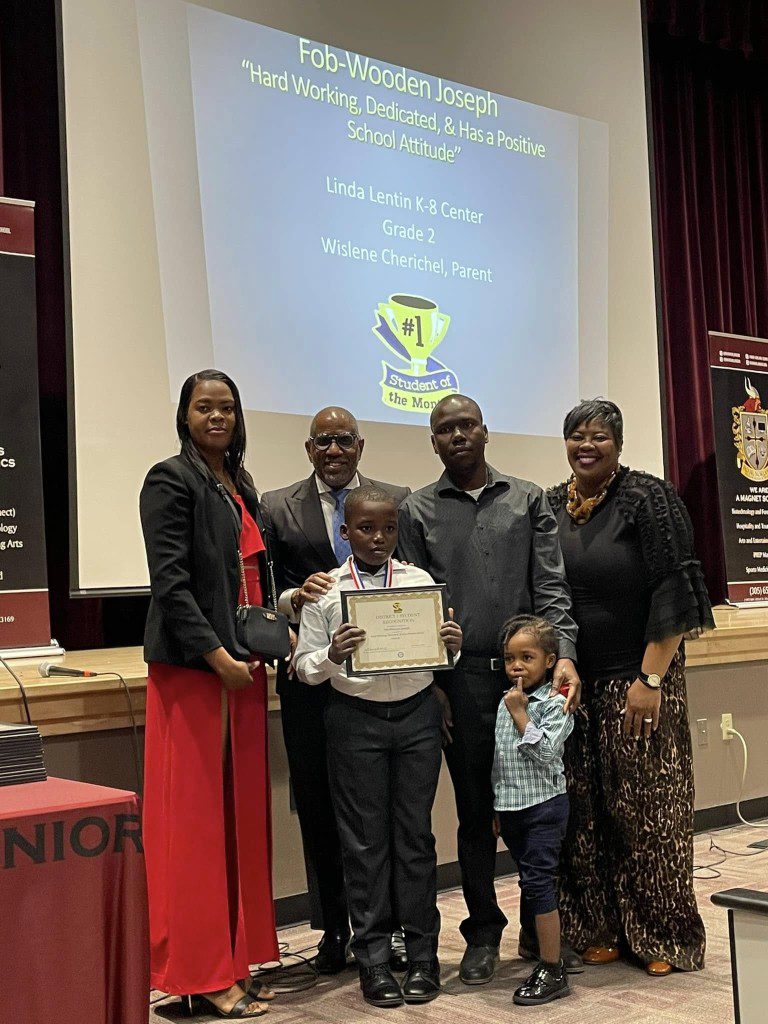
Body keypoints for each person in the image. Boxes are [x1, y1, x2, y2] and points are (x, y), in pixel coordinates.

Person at [397, 394, 581, 985]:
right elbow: (412, 605)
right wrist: (433, 685)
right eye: (445, 429)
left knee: (538, 809)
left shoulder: (528, 499)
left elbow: (551, 586)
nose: (457, 435)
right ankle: (482, 933)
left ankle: (538, 928)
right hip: (461, 682)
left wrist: (563, 657)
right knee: (476, 813)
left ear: (485, 431)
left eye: (466, 425)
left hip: (532, 677)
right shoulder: (416, 509)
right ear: (433, 441)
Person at [547, 398, 714, 976]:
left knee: (648, 814)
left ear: (618, 443)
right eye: (576, 435)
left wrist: (651, 678)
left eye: (598, 435)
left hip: (638, 680)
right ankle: (598, 928)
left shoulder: (649, 498)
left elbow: (675, 590)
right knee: (584, 815)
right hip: (574, 685)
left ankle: (663, 935)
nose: (586, 445)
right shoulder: (553, 505)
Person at [140, 369, 278, 1019]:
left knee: (236, 824)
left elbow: (244, 579)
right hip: (196, 673)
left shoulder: (239, 484)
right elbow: (170, 585)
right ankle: (198, 973)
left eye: (226, 407)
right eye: (204, 407)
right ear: (185, 415)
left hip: (240, 671)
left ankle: (233, 962)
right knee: (195, 828)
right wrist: (216, 656)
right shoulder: (170, 480)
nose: (217, 417)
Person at [294, 485, 463, 1008]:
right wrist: (332, 655)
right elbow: (303, 668)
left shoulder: (418, 582)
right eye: (366, 529)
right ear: (346, 532)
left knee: (415, 838)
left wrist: (451, 648)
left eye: (388, 528)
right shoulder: (327, 591)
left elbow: (438, 654)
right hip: (355, 720)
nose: (378, 538)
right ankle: (372, 959)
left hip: (416, 717)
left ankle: (423, 956)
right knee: (365, 844)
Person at [260, 408, 410, 973]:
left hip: (382, 681)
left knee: (382, 811)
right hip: (312, 682)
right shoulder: (276, 505)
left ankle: (391, 927)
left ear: (360, 446)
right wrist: (293, 598)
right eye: (323, 441)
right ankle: (333, 929)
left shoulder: (396, 499)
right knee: (318, 805)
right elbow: (262, 588)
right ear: (308, 449)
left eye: (344, 440)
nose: (334, 450)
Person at [492, 615, 573, 1006]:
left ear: (549, 660)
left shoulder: (556, 703)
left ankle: (553, 968)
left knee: (539, 881)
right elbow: (501, 759)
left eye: (527, 657)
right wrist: (497, 804)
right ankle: (537, 945)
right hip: (511, 808)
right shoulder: (505, 700)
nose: (517, 666)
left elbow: (546, 753)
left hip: (544, 807)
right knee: (528, 879)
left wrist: (521, 715)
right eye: (510, 659)